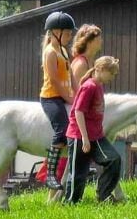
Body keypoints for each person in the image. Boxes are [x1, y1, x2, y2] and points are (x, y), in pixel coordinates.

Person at [65, 55, 123, 204]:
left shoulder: (99, 86)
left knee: (114, 160)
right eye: (112, 73)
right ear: (101, 69)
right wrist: (84, 137)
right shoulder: (89, 86)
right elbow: (78, 111)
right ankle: (71, 203)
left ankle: (103, 196)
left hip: (96, 136)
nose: (113, 77)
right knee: (78, 173)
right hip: (80, 136)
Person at [39, 11, 76, 190]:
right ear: (56, 32)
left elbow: (71, 76)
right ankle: (50, 174)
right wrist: (68, 97)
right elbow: (54, 80)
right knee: (62, 130)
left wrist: (77, 94)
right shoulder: (50, 52)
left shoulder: (63, 51)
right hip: (51, 97)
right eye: (67, 33)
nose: (70, 37)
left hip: (64, 95)